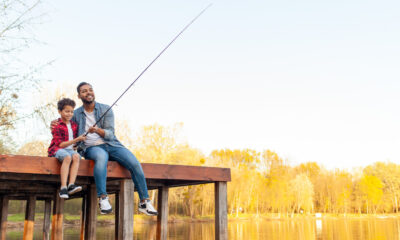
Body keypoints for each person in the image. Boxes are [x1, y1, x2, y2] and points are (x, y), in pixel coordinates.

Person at [52, 82, 157, 215]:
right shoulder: (76, 113)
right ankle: (103, 198)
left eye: (90, 90)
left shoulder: (105, 109)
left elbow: (110, 134)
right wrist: (54, 122)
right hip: (91, 147)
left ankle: (144, 202)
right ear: (79, 96)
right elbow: (64, 121)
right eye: (84, 91)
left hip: (112, 145)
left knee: (134, 163)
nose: (88, 92)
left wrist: (97, 130)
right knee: (101, 158)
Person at [48, 98, 86, 199]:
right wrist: (76, 139)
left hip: (69, 150)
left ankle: (71, 185)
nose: (69, 114)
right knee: (67, 157)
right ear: (60, 111)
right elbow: (60, 144)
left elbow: (72, 141)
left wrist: (76, 144)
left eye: (71, 111)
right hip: (57, 149)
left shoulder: (74, 125)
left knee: (77, 156)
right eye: (66, 111)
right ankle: (63, 187)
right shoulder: (57, 125)